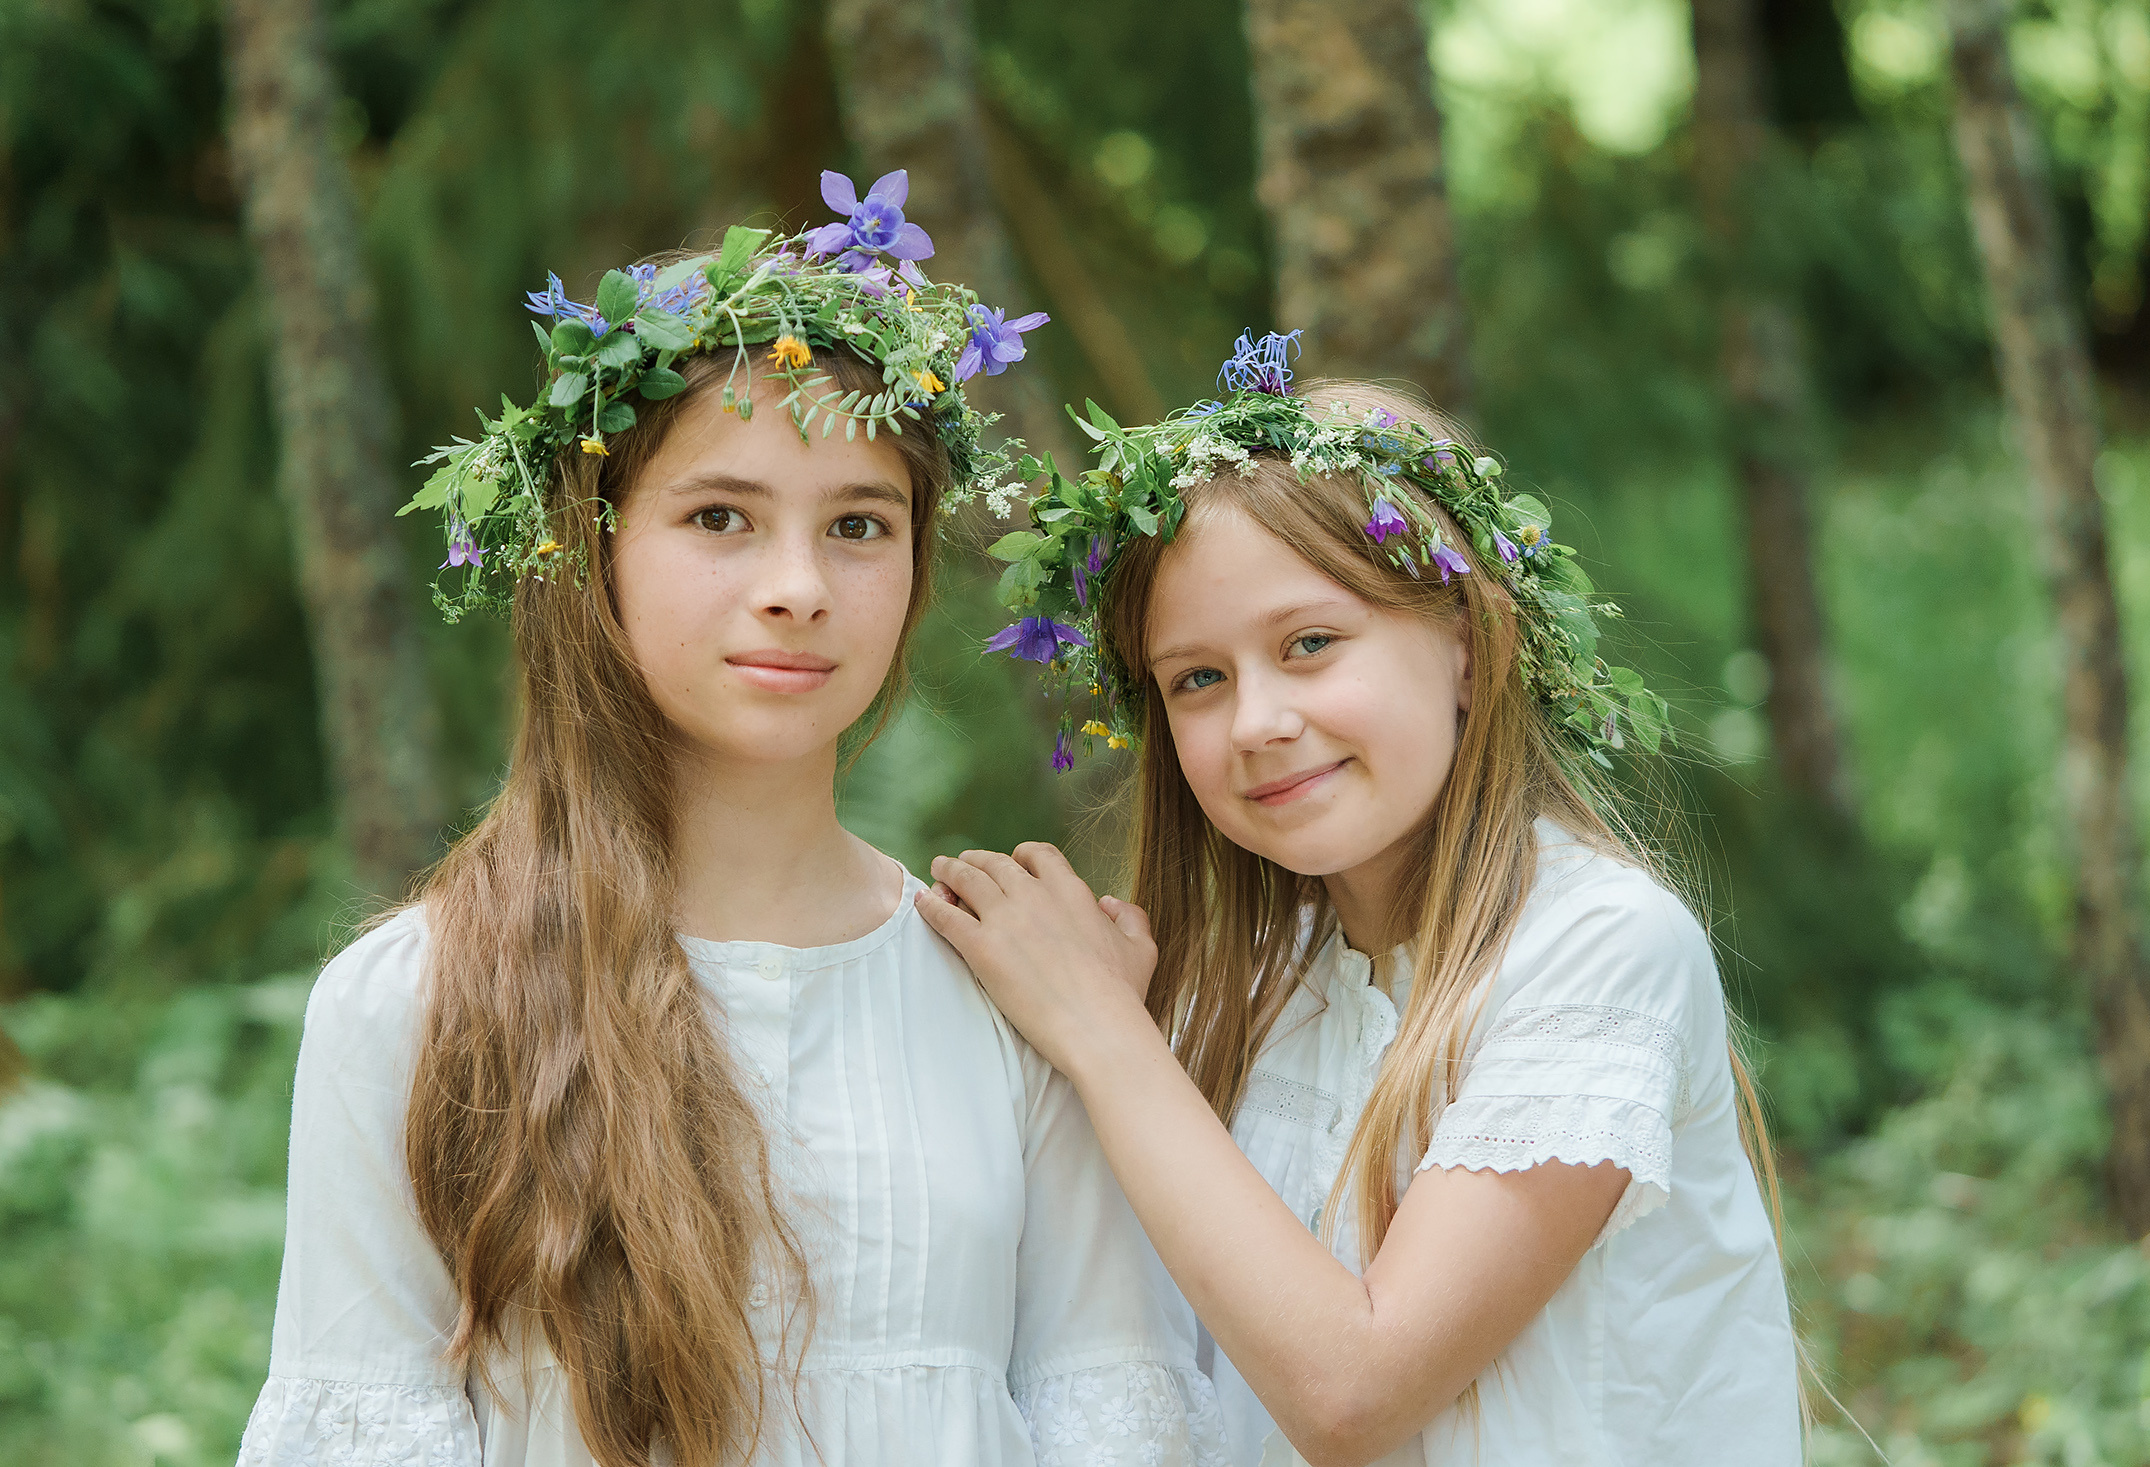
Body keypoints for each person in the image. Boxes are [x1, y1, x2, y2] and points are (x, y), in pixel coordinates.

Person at [235, 173, 1225, 1467]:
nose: (799, 587)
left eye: (859, 525)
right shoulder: (415, 998)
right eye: (720, 517)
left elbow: (1113, 1414)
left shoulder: (1015, 986)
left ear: (918, 568)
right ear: (596, 550)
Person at [918, 333, 1802, 1467]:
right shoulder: (1243, 995)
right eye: (1199, 678)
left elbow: (1354, 1393)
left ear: (1471, 649)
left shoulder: (1595, 946)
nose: (1256, 721)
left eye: (1311, 644)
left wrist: (1100, 1035)